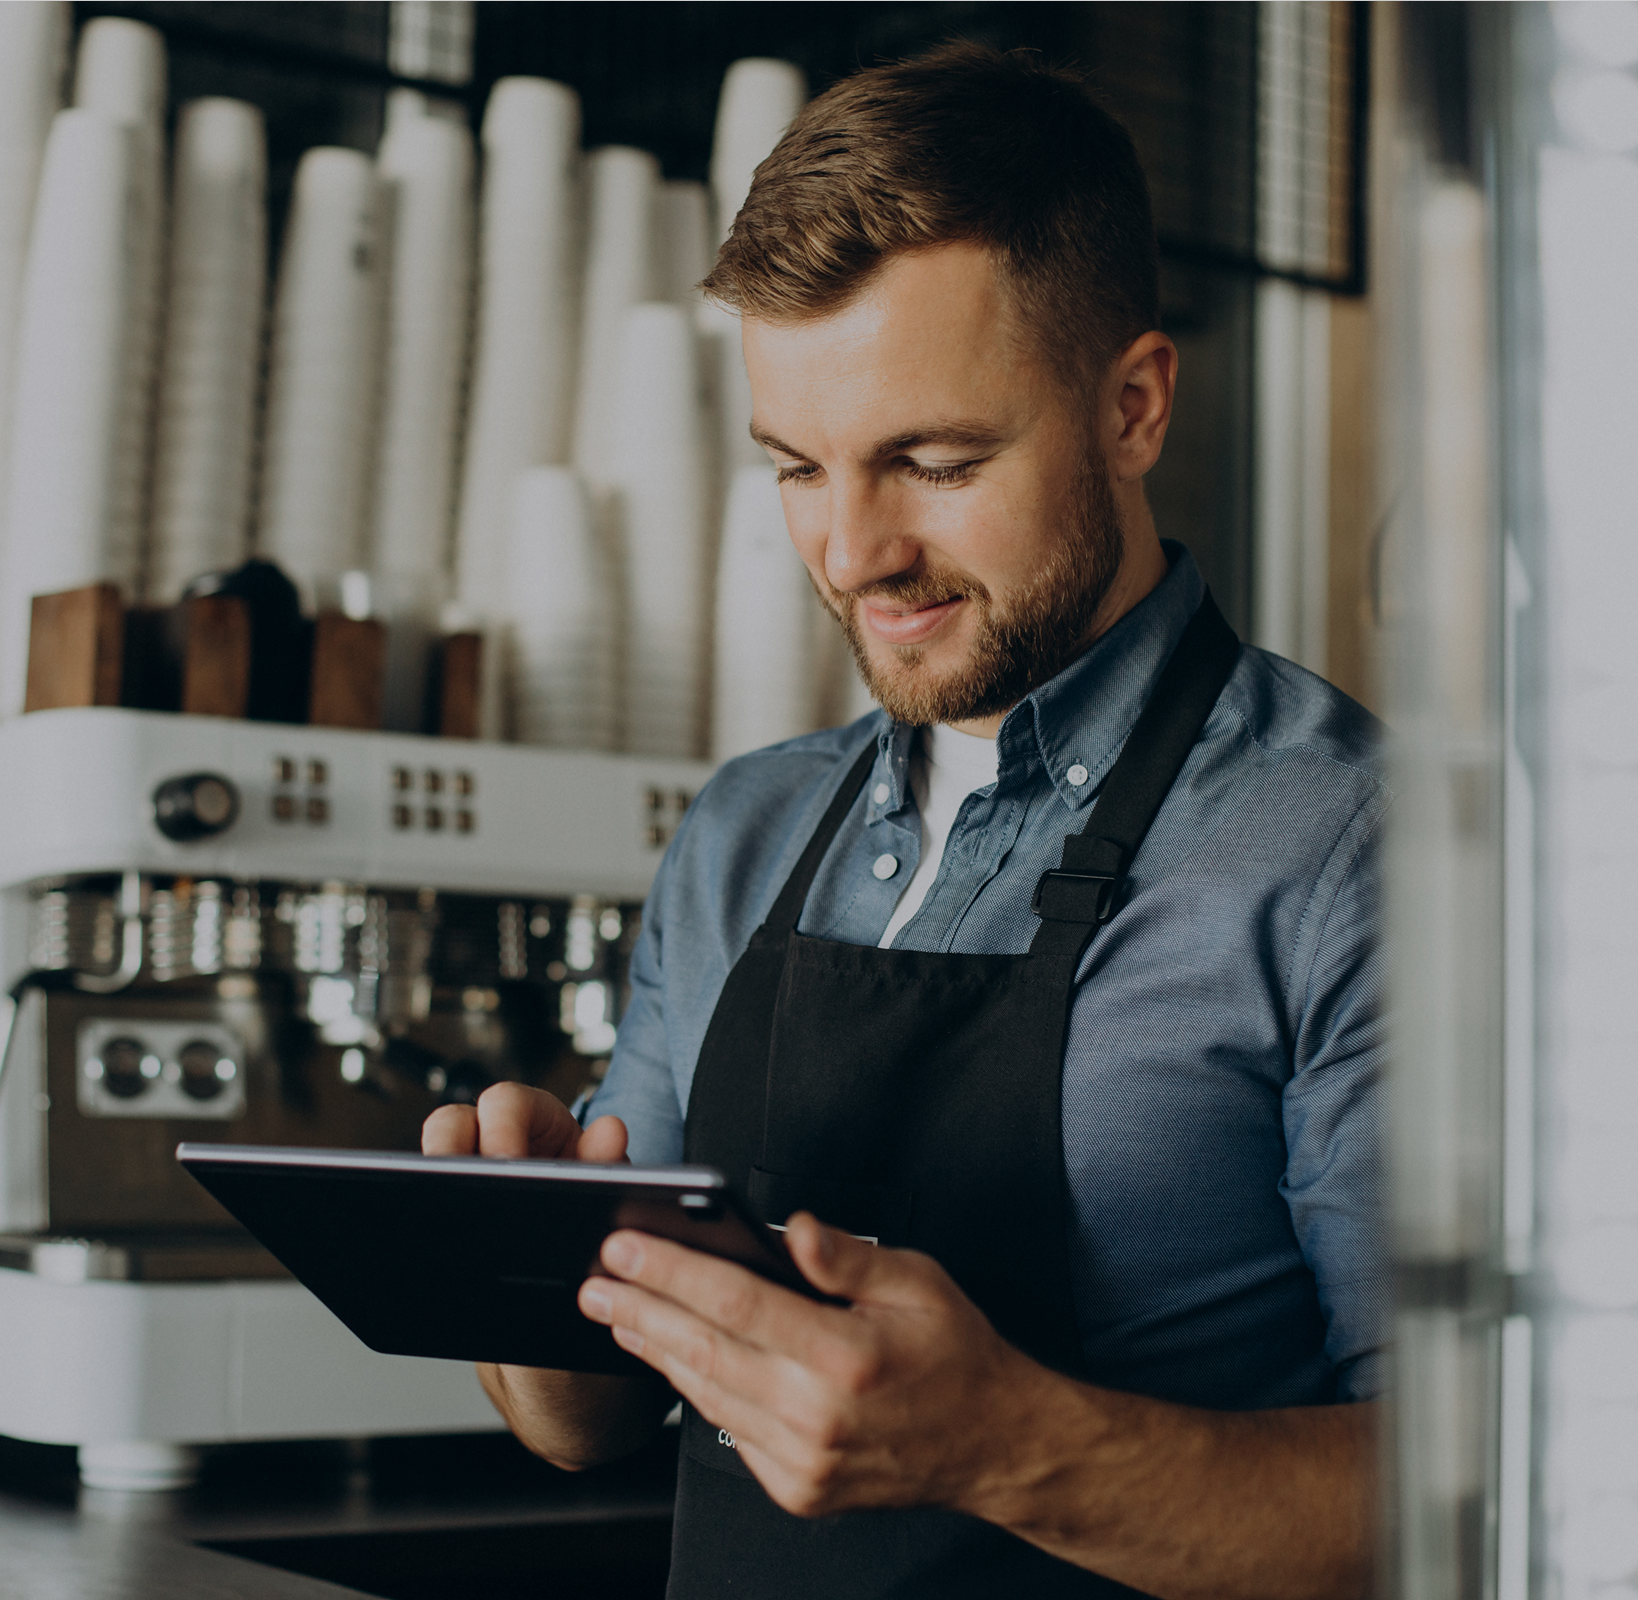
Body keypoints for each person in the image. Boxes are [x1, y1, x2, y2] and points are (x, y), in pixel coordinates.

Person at [424, 42, 1386, 1600]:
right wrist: (521, 1277)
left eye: (934, 462)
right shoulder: (742, 832)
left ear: (1132, 406)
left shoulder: (1347, 847)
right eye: (798, 468)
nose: (852, 550)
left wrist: (1006, 1451)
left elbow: (1495, 1488)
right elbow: (586, 1422)